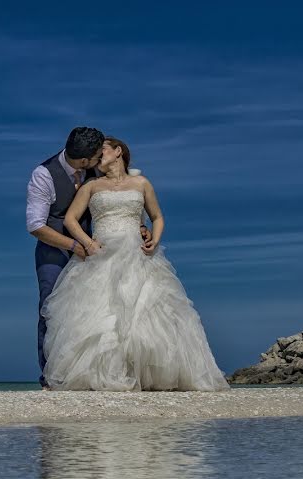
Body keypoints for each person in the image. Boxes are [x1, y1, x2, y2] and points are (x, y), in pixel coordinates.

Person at [40, 137, 229, 391]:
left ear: (118, 152)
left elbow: (157, 216)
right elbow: (71, 220)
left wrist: (154, 238)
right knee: (102, 315)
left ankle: (150, 374)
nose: (98, 155)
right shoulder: (92, 186)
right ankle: (104, 374)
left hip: (137, 252)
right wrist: (88, 244)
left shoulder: (141, 183)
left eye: (103, 150)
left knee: (145, 311)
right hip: (101, 253)